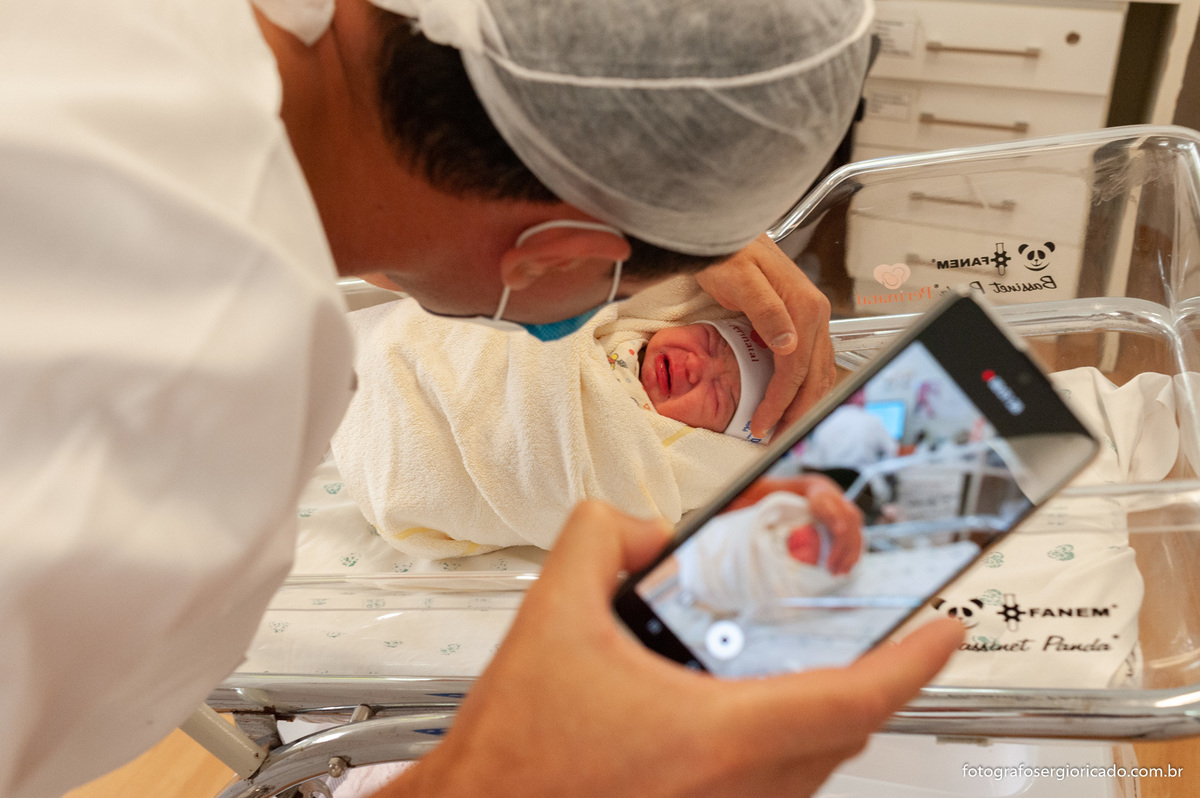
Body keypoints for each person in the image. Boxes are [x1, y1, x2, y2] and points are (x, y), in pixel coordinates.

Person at [0, 2, 962, 797]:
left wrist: (650, 206)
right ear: (557, 255)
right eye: (616, 293)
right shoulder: (175, 421)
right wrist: (505, 775)